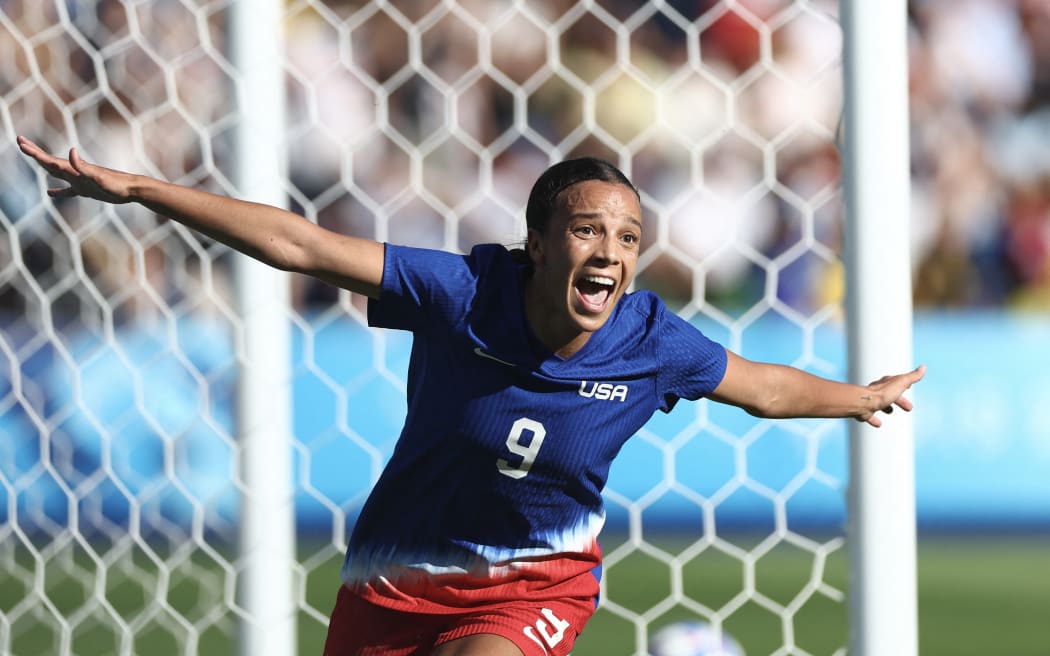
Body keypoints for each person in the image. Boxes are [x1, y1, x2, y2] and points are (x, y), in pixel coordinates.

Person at [17, 136, 925, 656]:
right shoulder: (461, 292)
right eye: (586, 229)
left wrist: (859, 397)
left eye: (627, 236)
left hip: (536, 581)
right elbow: (301, 245)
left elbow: (762, 387)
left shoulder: (652, 341)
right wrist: (140, 191)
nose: (609, 251)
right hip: (395, 578)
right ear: (537, 242)